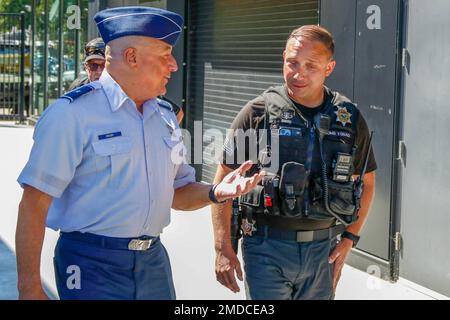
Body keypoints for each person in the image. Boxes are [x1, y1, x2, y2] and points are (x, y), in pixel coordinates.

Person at [15, 6, 264, 300]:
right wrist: (29, 288)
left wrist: (217, 191)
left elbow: (178, 192)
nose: (173, 65)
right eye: (165, 55)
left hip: (152, 262)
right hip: (90, 263)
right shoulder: (72, 114)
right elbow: (34, 202)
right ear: (131, 57)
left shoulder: (164, 117)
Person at [211, 25, 376, 300]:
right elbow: (222, 181)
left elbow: (368, 182)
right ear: (283, 59)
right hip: (265, 247)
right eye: (292, 63)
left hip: (323, 251)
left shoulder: (347, 118)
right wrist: (222, 247)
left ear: (329, 67)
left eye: (311, 66)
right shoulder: (258, 113)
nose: (298, 74)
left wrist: (350, 238)